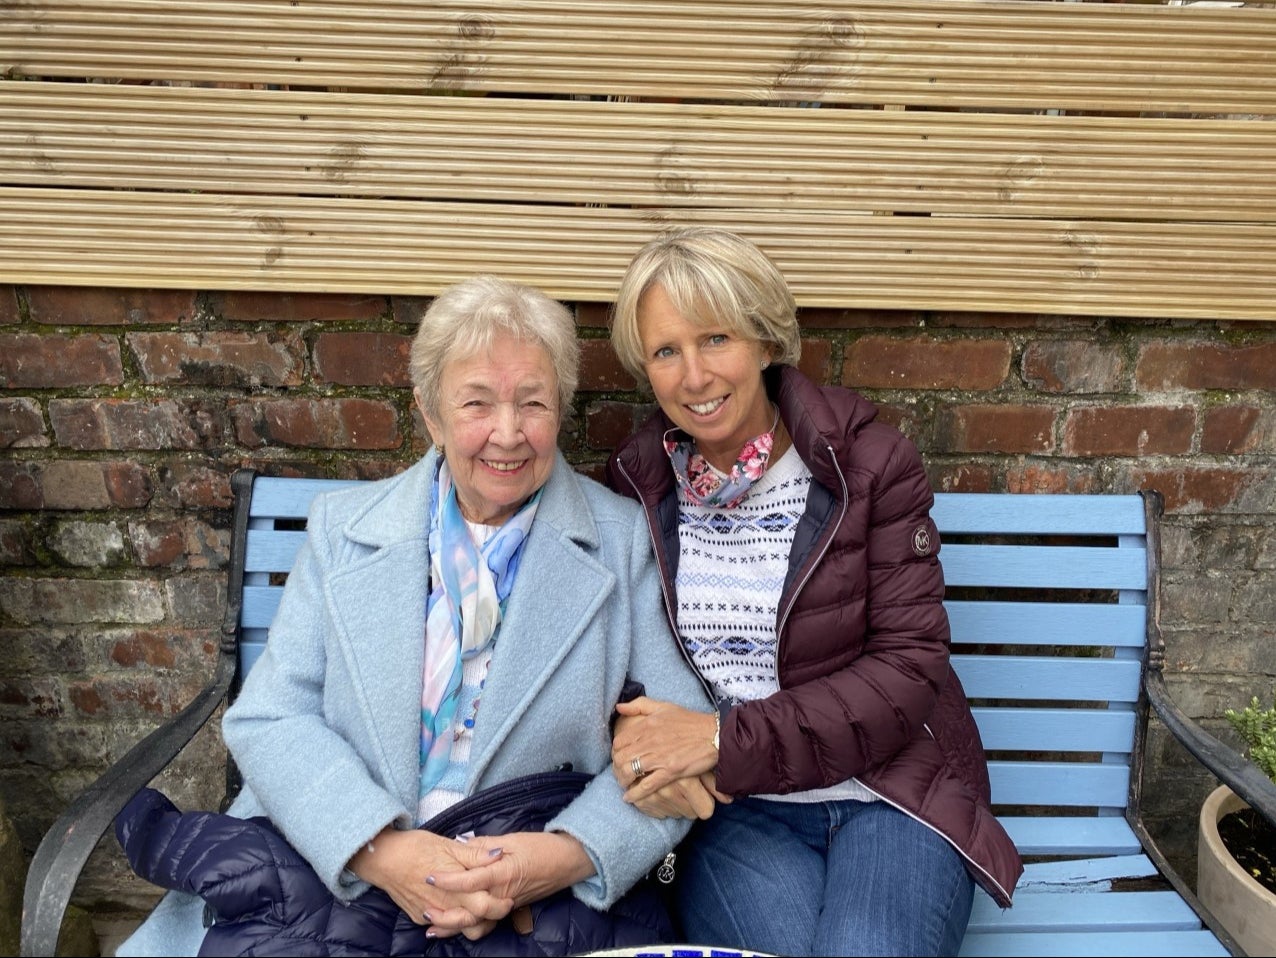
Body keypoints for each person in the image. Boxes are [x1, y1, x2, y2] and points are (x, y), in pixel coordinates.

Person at [115, 274, 712, 957]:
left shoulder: (621, 539)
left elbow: (680, 754)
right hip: (335, 862)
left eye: (534, 403)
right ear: (430, 413)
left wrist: (561, 857)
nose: (509, 434)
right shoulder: (344, 529)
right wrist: (379, 850)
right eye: (477, 404)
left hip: (533, 891)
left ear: (562, 411)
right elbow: (270, 716)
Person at [603, 227, 1024, 957]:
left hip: (891, 796)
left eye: (716, 339)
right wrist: (636, 745)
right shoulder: (638, 489)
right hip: (736, 816)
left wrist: (717, 737)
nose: (694, 376)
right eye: (666, 351)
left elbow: (905, 672)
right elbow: (616, 670)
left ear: (766, 342)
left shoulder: (868, 466)